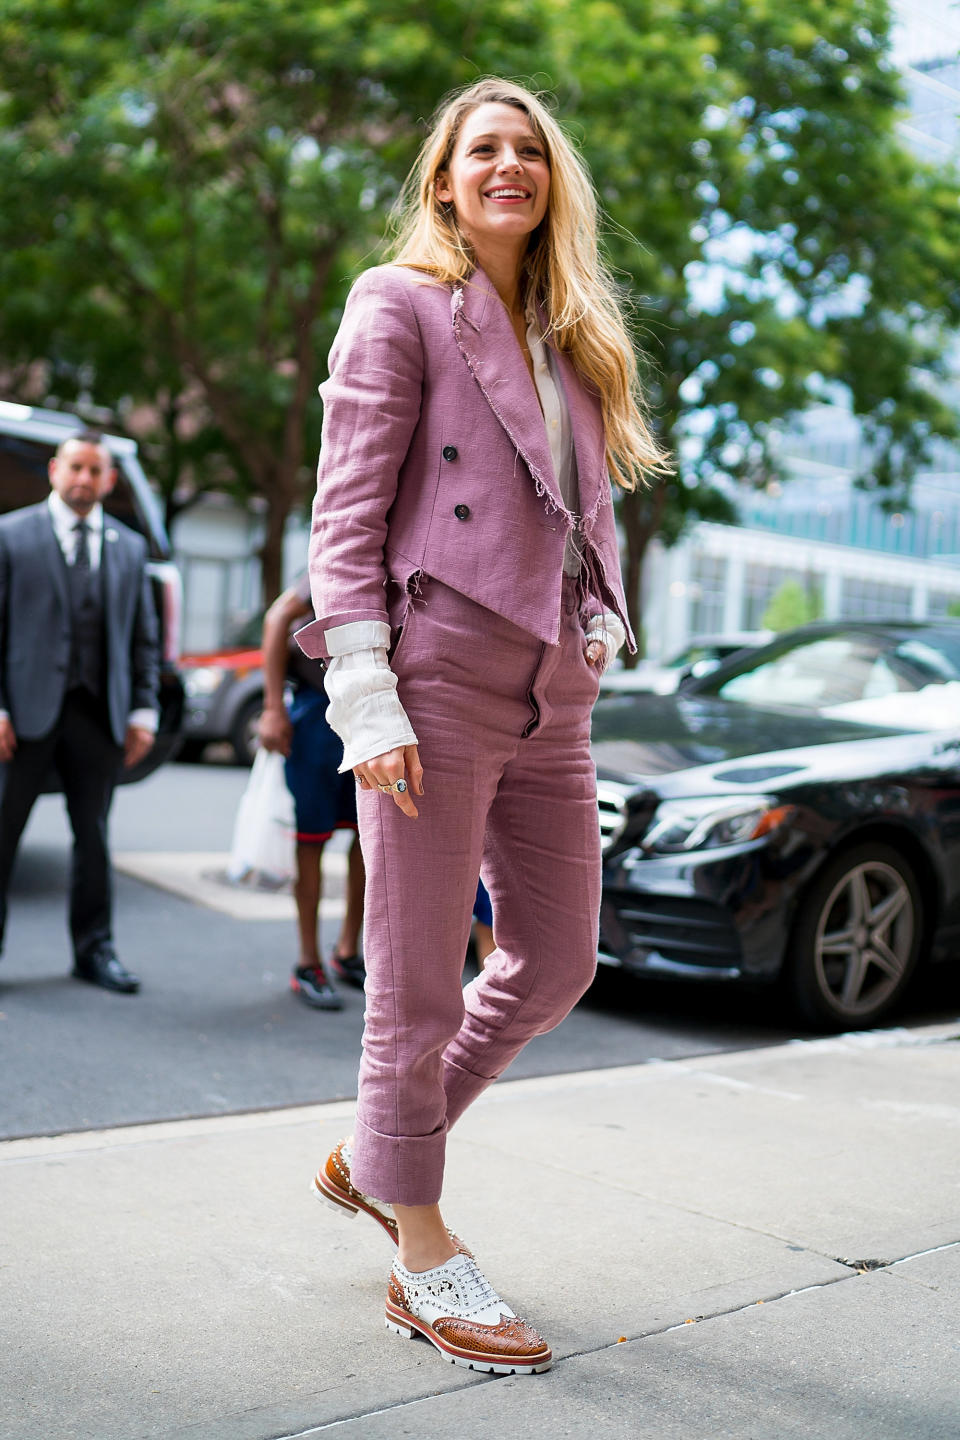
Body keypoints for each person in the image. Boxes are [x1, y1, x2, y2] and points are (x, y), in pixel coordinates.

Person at [296, 77, 669, 1374]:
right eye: (483, 150)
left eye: (529, 150)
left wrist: (604, 622)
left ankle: (377, 1153)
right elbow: (346, 513)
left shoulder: (571, 337)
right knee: (410, 987)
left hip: (551, 689)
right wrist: (365, 691)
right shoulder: (397, 304)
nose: (509, 165)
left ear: (551, 181)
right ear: (447, 181)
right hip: (435, 673)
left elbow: (589, 510)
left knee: (558, 957)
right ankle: (423, 1257)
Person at [0, 432, 160, 992]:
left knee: (92, 837)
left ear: (109, 480)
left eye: (96, 470)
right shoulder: (9, 534)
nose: (85, 478)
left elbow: (145, 638)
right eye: (76, 467)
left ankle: (95, 952)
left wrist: (144, 710)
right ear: (54, 470)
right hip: (20, 717)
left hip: (98, 715)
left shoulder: (128, 546)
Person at [257, 576, 365, 1011]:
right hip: (318, 716)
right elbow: (278, 615)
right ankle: (307, 960)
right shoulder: (336, 550)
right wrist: (272, 708)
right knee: (312, 839)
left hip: (372, 715)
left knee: (369, 838)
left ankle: (347, 950)